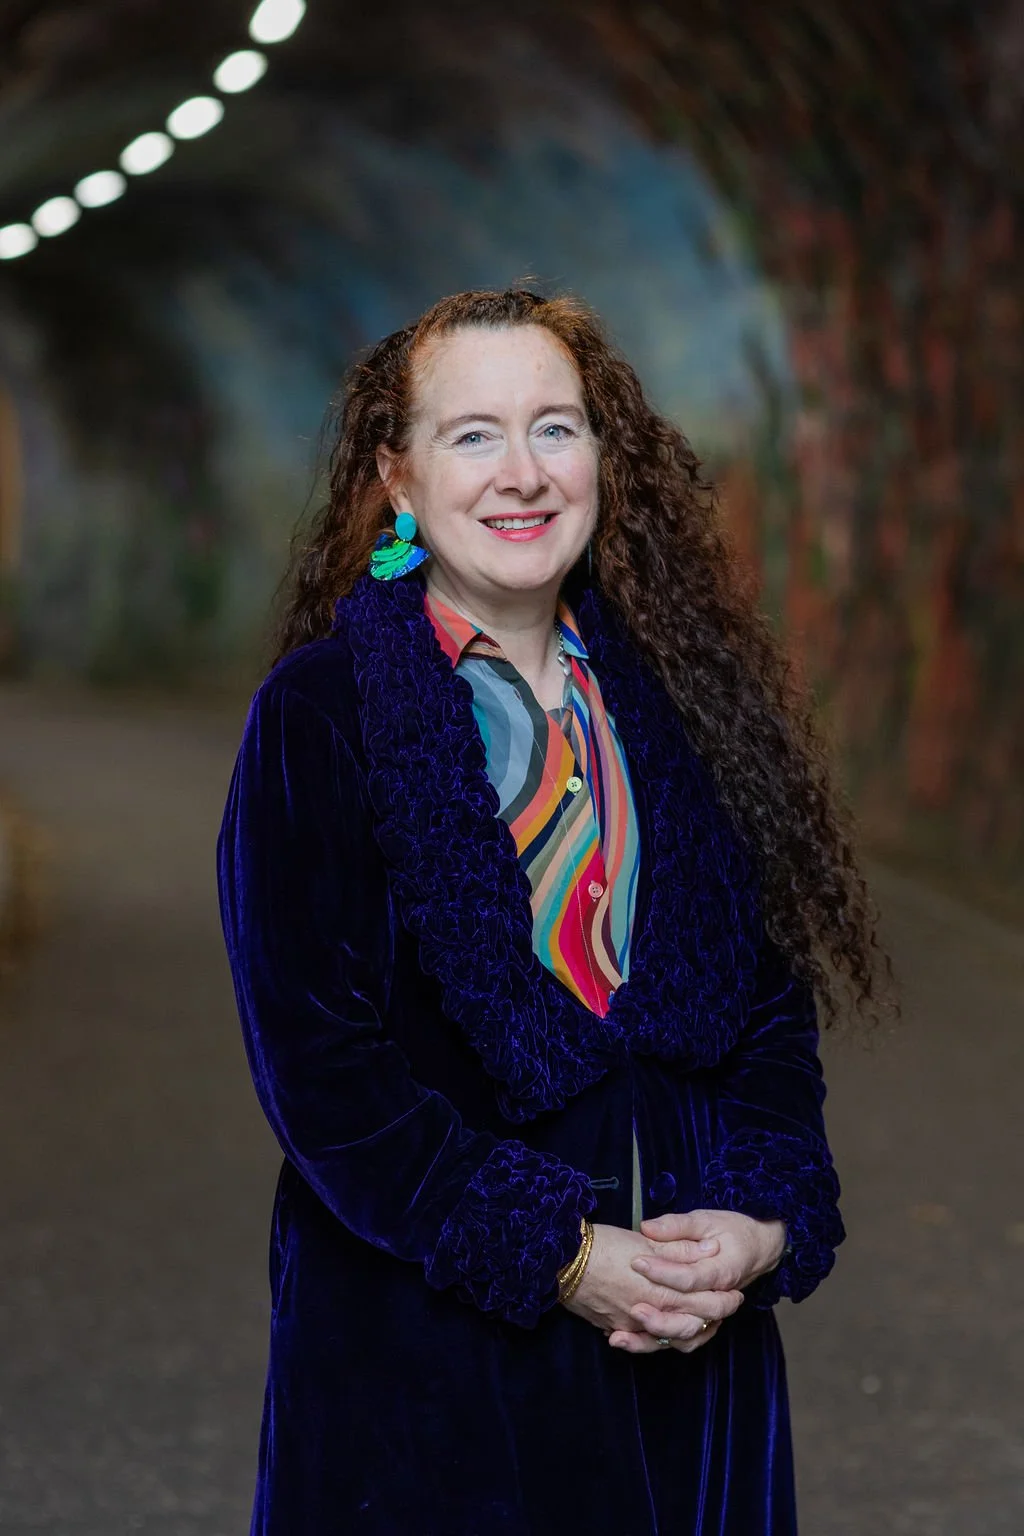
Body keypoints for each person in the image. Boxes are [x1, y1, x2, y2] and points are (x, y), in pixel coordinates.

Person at [217, 286, 888, 1535]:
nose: (521, 473)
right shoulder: (319, 715)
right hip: (431, 1368)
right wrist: (564, 1255)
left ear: (601, 458)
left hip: (688, 1353)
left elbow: (766, 1012)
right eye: (472, 434)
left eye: (556, 428)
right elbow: (322, 1072)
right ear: (398, 476)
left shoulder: (685, 699)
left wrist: (760, 1217)